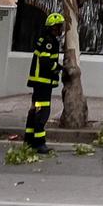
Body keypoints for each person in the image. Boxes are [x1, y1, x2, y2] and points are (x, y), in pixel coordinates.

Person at [24, 12, 65, 153]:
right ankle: (39, 143)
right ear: (54, 27)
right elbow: (46, 62)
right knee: (43, 111)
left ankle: (29, 139)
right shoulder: (49, 41)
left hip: (38, 82)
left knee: (34, 109)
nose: (61, 30)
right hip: (43, 82)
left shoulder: (43, 39)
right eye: (60, 27)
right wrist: (59, 68)